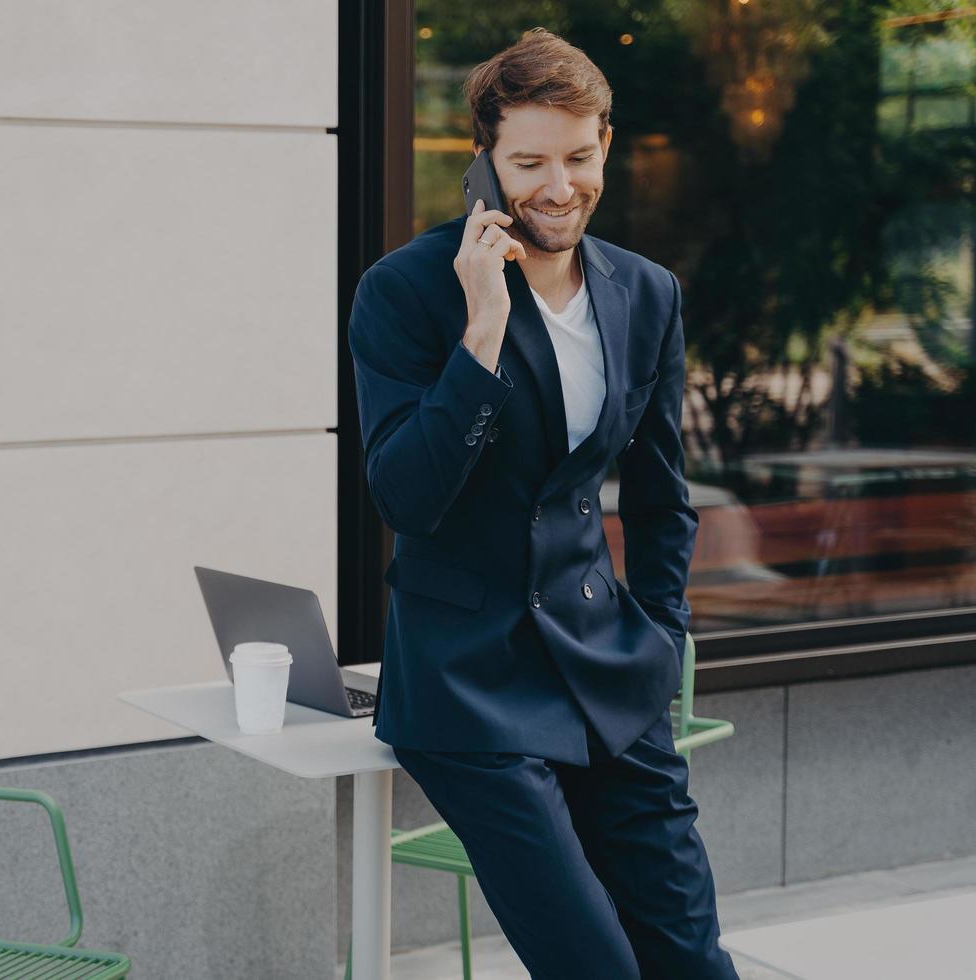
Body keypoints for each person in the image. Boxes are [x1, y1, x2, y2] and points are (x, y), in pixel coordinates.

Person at [347, 27, 740, 980]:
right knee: (596, 965)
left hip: (611, 673)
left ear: (607, 141)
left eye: (577, 156)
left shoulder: (646, 293)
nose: (557, 187)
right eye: (528, 162)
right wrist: (481, 331)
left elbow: (660, 498)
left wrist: (661, 643)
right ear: (483, 159)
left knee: (690, 956)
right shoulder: (405, 293)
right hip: (470, 686)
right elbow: (406, 495)